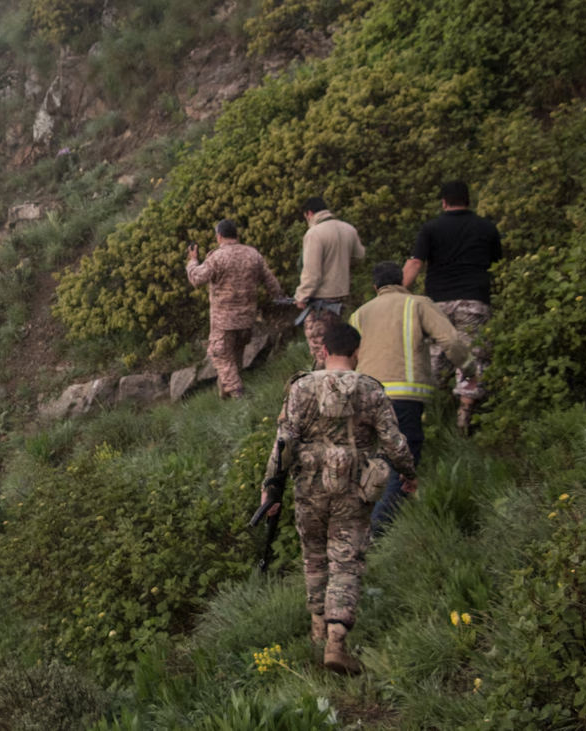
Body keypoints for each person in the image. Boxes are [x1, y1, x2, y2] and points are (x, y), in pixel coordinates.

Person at [259, 322, 417, 675]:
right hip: (354, 492)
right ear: (357, 352)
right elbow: (394, 443)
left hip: (309, 489)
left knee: (314, 558)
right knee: (346, 561)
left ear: (324, 351)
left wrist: (271, 488)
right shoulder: (371, 390)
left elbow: (283, 443)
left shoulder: (300, 388)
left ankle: (317, 634)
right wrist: (408, 472)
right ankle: (336, 641)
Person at [349, 261, 470, 532]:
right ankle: (376, 534)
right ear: (403, 282)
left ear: (375, 287)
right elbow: (450, 341)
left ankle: (354, 529)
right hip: (403, 398)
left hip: (362, 398)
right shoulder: (417, 304)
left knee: (372, 463)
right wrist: (470, 368)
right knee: (402, 464)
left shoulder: (359, 314)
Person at [402, 181, 504, 434]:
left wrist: (397, 292)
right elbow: (497, 264)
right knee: (473, 355)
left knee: (436, 354)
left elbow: (415, 263)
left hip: (438, 303)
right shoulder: (487, 228)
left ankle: (430, 412)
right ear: (469, 200)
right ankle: (465, 414)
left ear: (443, 201)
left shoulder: (431, 229)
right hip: (474, 300)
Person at [186, 219, 284, 399]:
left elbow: (196, 279)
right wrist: (279, 297)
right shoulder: (252, 254)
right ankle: (227, 398)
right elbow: (270, 281)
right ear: (237, 235)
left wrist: (193, 261)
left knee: (220, 356)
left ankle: (240, 396)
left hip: (224, 322)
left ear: (219, 236)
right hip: (247, 319)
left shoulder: (217, 257)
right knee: (234, 359)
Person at [295, 197, 366, 369]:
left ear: (309, 213)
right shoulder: (348, 229)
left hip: (321, 303)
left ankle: (322, 387)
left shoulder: (315, 233)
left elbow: (312, 272)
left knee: (322, 351)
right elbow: (359, 256)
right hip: (341, 300)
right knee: (339, 347)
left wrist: (302, 296)